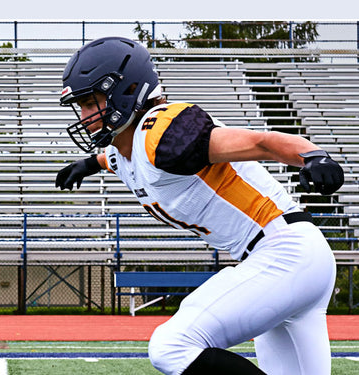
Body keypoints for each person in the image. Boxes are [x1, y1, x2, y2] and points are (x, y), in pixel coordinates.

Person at [55, 36, 343, 375]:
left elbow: (259, 142)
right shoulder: (125, 149)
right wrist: (89, 164)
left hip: (284, 253)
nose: (86, 115)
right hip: (294, 258)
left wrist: (311, 155)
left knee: (172, 346)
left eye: (91, 102)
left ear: (126, 90)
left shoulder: (162, 132)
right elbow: (118, 159)